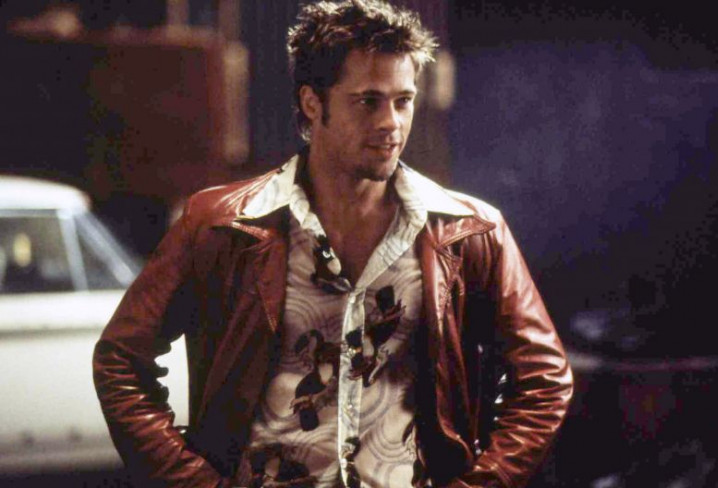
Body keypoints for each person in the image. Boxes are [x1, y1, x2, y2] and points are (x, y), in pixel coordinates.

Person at [92, 1, 573, 487]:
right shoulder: (222, 225)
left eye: (403, 101)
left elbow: (545, 379)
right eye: (368, 101)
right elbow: (120, 362)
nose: (391, 122)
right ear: (312, 102)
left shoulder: (469, 231)